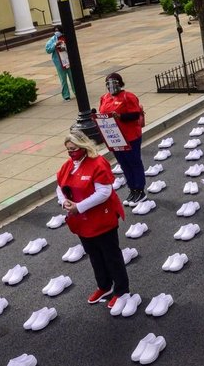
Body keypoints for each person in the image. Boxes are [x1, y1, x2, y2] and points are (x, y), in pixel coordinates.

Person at [56, 130, 129, 307]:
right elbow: (59, 186)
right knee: (94, 255)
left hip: (101, 219)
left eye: (73, 149)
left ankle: (122, 290)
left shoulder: (97, 163)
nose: (71, 153)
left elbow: (104, 192)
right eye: (68, 150)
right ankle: (104, 285)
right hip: (82, 222)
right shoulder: (68, 166)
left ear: (83, 146)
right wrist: (64, 202)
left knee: (111, 255)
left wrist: (78, 207)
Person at [98, 73, 146, 205]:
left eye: (114, 82)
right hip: (115, 138)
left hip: (130, 136)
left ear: (120, 83)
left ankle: (140, 189)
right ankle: (132, 189)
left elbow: (135, 115)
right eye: (108, 83)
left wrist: (119, 116)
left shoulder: (128, 96)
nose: (111, 86)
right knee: (124, 164)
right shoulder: (104, 98)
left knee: (134, 162)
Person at [45, 30, 75, 101]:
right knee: (63, 79)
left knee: (73, 78)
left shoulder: (66, 37)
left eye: (58, 30)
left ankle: (76, 92)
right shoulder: (53, 39)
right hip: (59, 62)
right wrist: (55, 44)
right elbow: (48, 50)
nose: (57, 32)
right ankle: (66, 96)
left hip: (68, 61)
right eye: (55, 30)